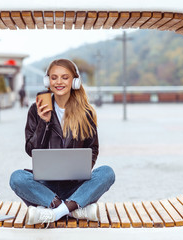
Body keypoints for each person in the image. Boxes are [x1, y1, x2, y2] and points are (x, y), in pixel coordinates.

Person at [9, 59, 115, 225]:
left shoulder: (85, 113)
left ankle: (54, 212)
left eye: (65, 77)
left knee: (107, 172)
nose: (59, 82)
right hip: (44, 188)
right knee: (17, 178)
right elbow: (31, 150)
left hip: (76, 186)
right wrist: (44, 123)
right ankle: (73, 209)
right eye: (54, 77)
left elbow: (93, 149)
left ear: (74, 81)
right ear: (47, 81)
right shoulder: (36, 110)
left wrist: (82, 169)